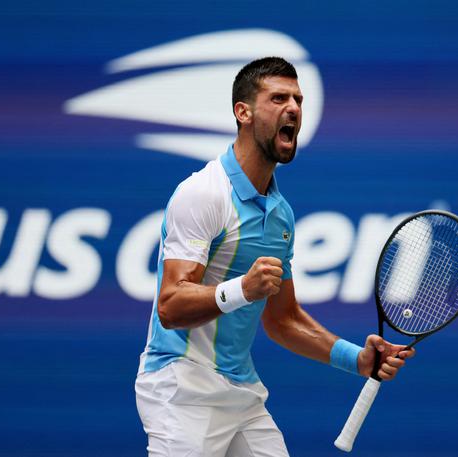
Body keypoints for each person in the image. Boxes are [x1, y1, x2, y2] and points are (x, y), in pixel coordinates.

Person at [135, 57, 415, 457]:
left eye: (299, 100)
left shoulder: (280, 214)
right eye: (279, 98)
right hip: (181, 387)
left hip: (242, 392)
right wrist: (243, 290)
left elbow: (282, 319)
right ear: (243, 112)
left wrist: (359, 360)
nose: (295, 109)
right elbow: (170, 305)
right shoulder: (203, 194)